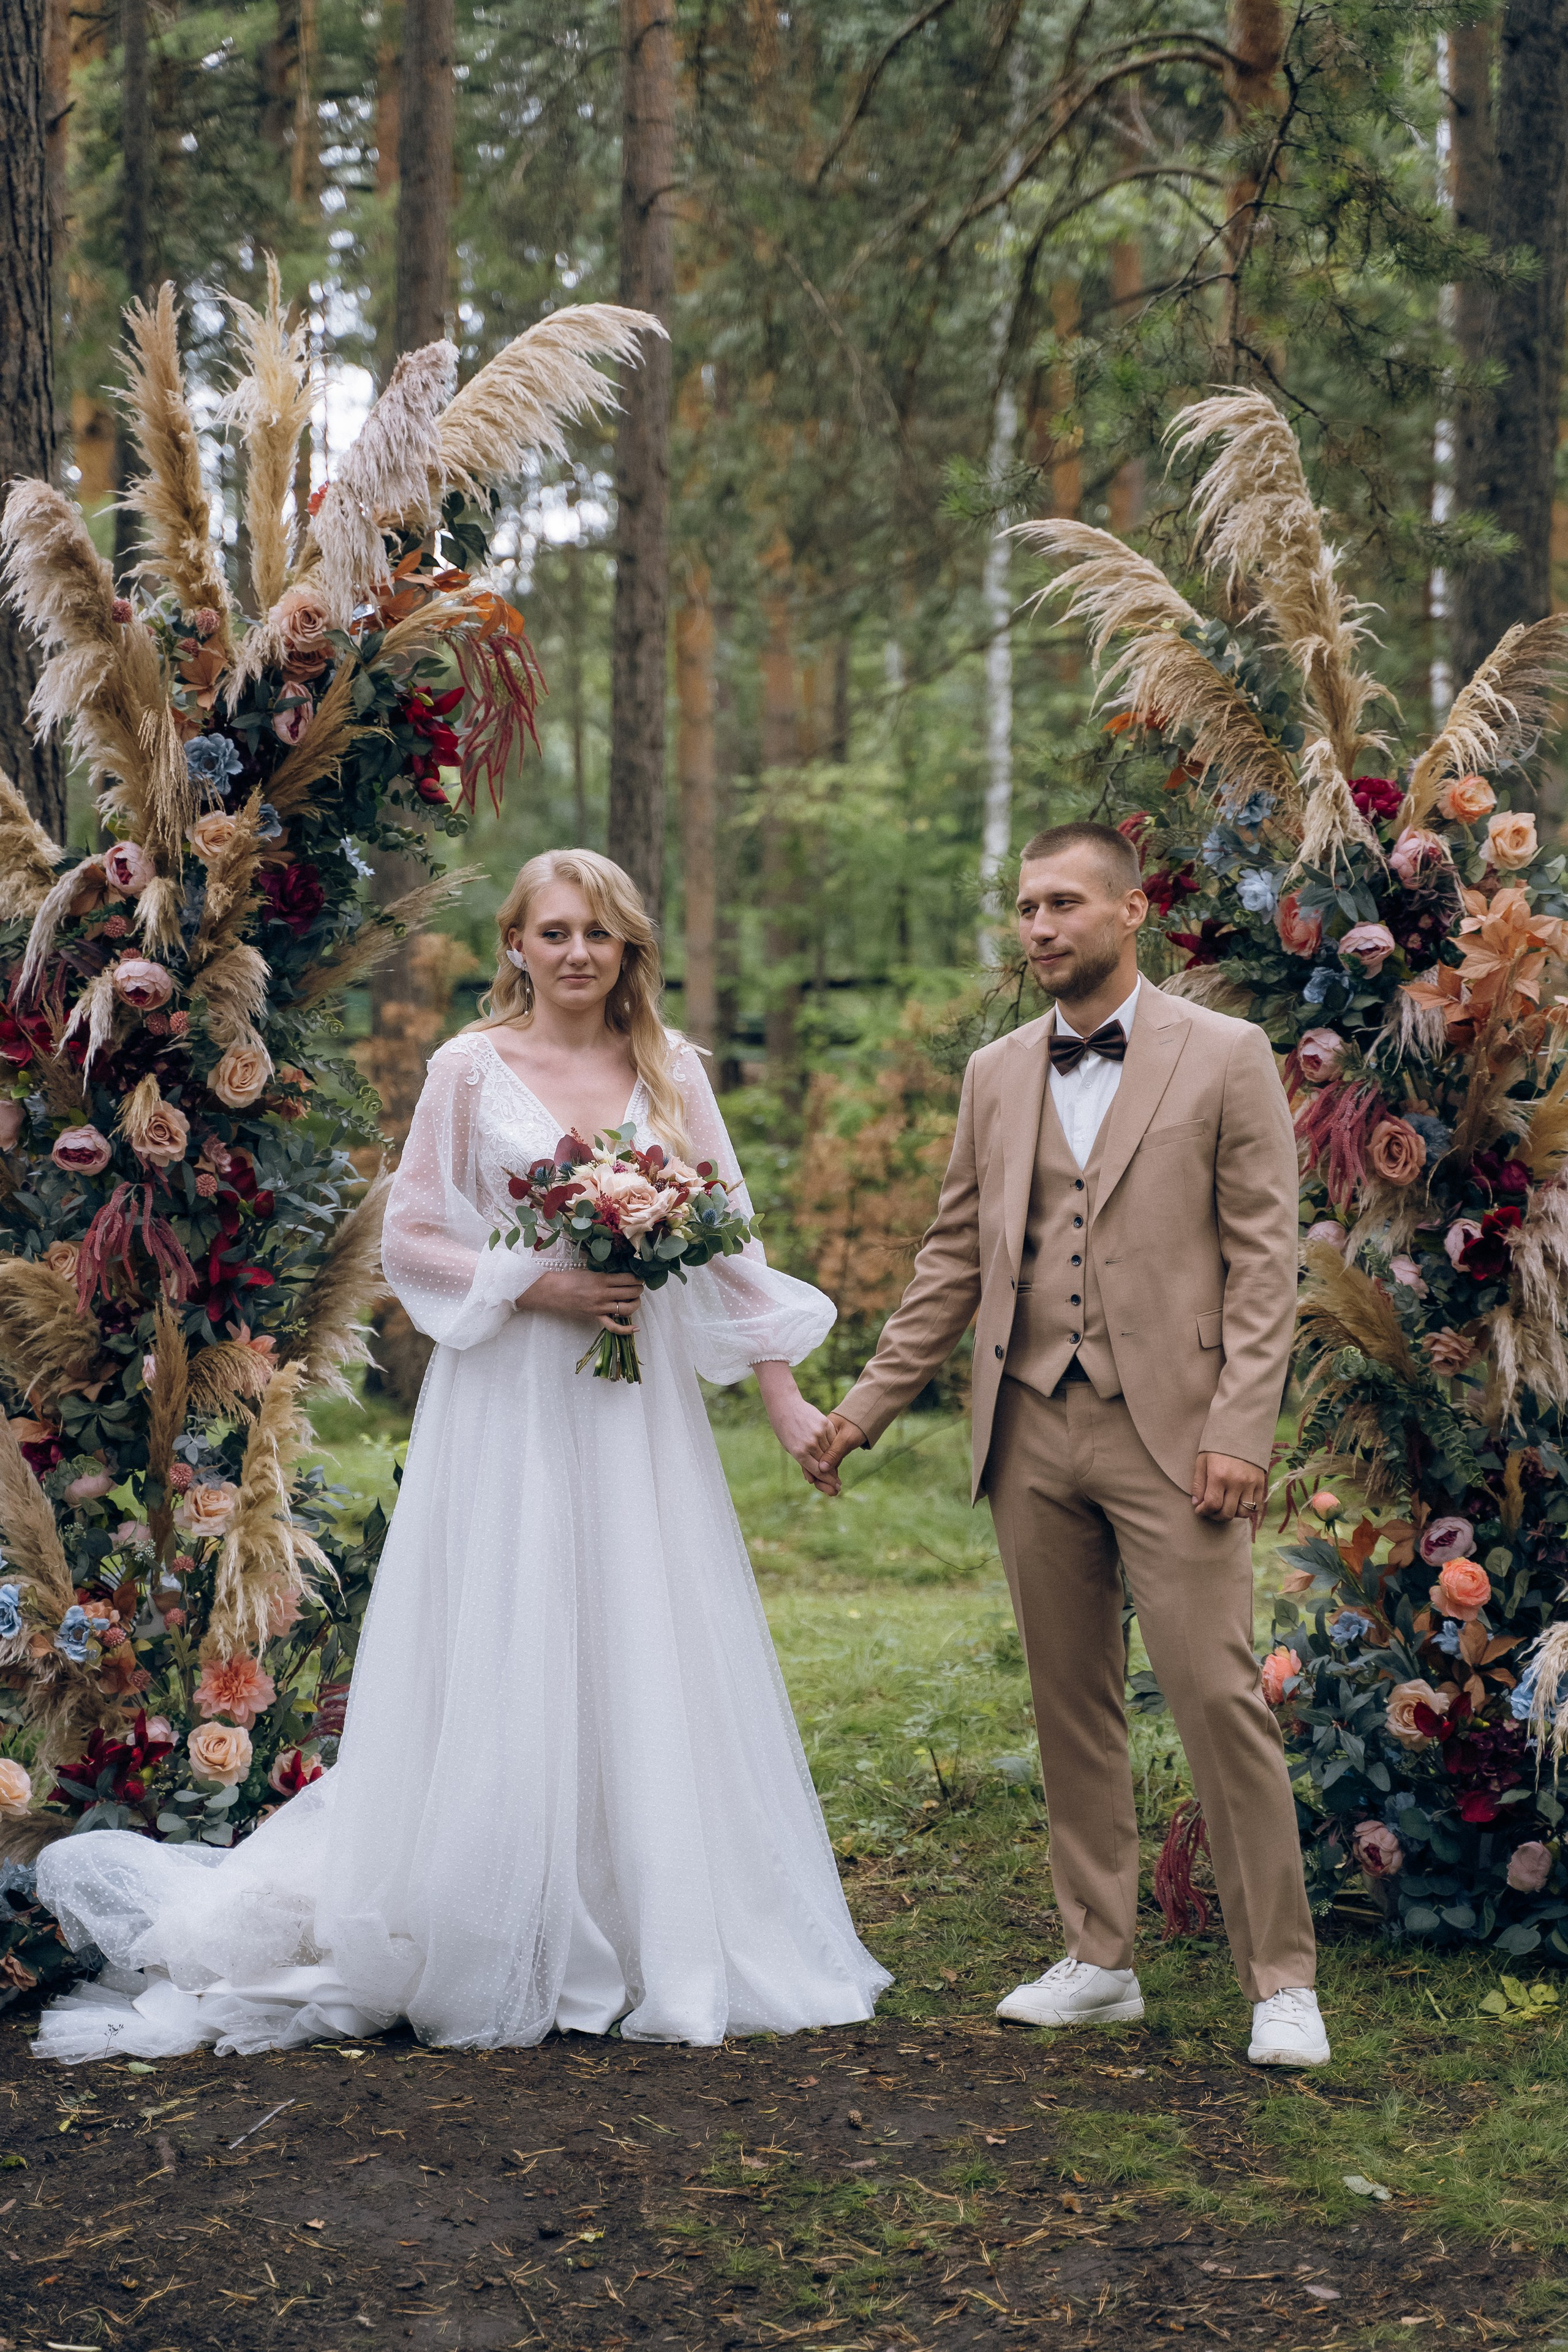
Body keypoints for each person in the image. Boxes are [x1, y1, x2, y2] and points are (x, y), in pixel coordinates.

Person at [32, 849, 888, 2060]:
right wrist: (548, 1285)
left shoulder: (669, 1068)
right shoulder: (466, 1068)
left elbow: (728, 1237)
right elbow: (419, 1242)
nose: (576, 952)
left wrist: (787, 1397)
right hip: (510, 1398)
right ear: (516, 949)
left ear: (627, 948)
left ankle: (651, 1918)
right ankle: (498, 1915)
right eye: (552, 932)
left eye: (597, 933)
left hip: (632, 1404)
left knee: (638, 1626)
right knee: (516, 1624)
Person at [805, 822, 1327, 2068]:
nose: (1039, 928)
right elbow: (950, 1262)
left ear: (1127, 911)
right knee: (1068, 1703)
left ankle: (1280, 1980)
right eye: (1026, 908)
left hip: (1179, 1434)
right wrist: (865, 1409)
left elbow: (1265, 1263)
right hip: (1027, 1423)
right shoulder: (991, 1073)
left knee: (1214, 1693)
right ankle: (1098, 1960)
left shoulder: (1224, 1055)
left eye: (1063, 905)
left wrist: (1240, 1427)